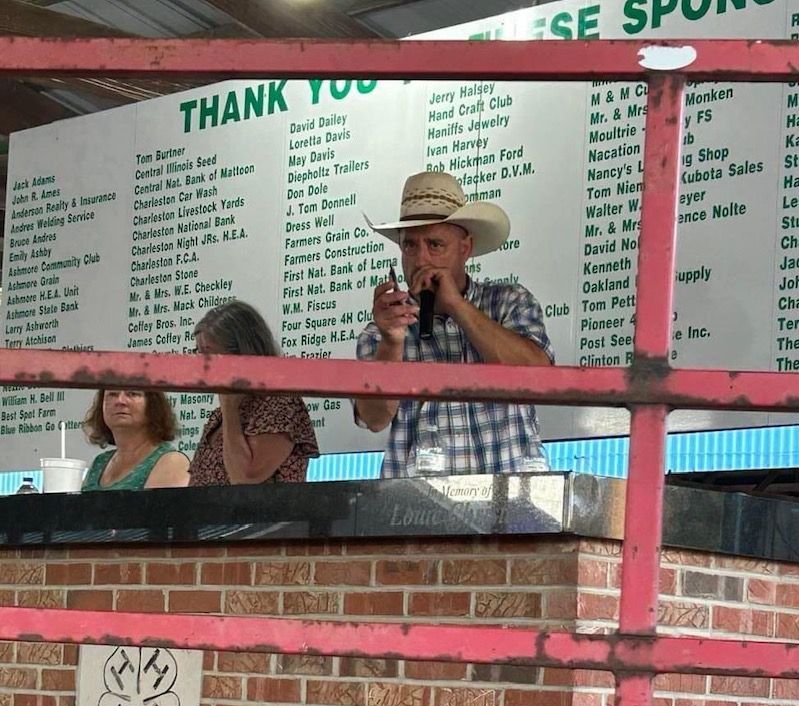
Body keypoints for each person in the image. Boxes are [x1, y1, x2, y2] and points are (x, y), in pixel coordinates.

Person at [354, 171, 553, 477]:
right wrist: (392, 342)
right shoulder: (380, 331)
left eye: (435, 244)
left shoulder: (509, 301)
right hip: (417, 513)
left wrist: (457, 306)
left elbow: (539, 380)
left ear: (465, 248)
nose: (421, 259)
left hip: (510, 508)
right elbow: (374, 418)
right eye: (410, 246)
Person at [190, 300, 319, 486]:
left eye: (209, 353)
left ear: (241, 353)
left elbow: (245, 478)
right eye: (198, 352)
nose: (201, 363)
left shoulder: (281, 404)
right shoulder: (216, 419)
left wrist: (229, 408)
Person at [82, 389, 189, 491]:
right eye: (112, 394)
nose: (120, 401)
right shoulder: (99, 463)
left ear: (153, 405)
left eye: (132, 394)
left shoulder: (172, 462)